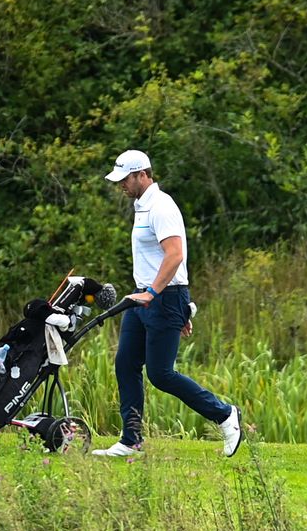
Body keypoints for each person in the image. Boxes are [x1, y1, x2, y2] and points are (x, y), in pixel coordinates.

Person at [91, 149, 242, 457]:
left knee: (160, 374)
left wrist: (156, 295)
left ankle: (225, 414)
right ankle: (131, 440)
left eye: (125, 179)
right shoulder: (141, 206)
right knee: (126, 364)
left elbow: (175, 255)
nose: (120, 185)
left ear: (141, 175)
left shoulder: (161, 206)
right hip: (144, 296)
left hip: (160, 297)